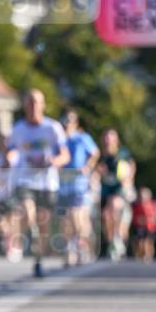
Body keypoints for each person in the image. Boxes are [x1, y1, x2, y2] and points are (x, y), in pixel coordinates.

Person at [6, 89, 70, 278]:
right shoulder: (18, 129)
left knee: (44, 226)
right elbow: (9, 151)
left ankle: (38, 259)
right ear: (25, 106)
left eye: (37, 102)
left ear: (43, 105)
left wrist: (53, 162)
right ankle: (17, 240)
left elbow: (65, 155)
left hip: (47, 183)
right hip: (25, 180)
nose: (33, 106)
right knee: (28, 212)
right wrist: (9, 159)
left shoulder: (53, 128)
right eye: (30, 102)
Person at [58, 109, 99, 266]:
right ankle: (70, 248)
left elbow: (95, 153)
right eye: (65, 120)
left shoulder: (82, 138)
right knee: (64, 218)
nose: (67, 123)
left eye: (70, 120)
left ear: (75, 122)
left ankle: (80, 245)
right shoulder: (60, 139)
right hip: (62, 182)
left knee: (76, 214)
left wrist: (87, 167)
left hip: (78, 182)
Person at [96, 129, 136, 260]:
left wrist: (128, 179)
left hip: (120, 190)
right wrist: (98, 172)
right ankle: (112, 240)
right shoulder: (100, 155)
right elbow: (95, 171)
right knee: (106, 216)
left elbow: (131, 166)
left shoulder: (123, 153)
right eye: (106, 137)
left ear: (116, 140)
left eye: (111, 137)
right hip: (105, 190)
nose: (108, 140)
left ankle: (117, 238)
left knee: (115, 206)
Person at [0, 132, 21, 262]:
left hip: (12, 193)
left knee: (13, 220)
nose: (4, 143)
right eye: (3, 140)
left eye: (7, 140)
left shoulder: (14, 154)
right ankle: (9, 241)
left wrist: (8, 153)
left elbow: (9, 164)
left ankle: (14, 247)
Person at [130, 186, 156, 261]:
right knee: (140, 242)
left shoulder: (152, 204)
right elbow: (135, 217)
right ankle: (140, 254)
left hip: (150, 227)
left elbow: (154, 216)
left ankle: (148, 255)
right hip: (139, 226)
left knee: (149, 241)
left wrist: (149, 219)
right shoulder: (136, 205)